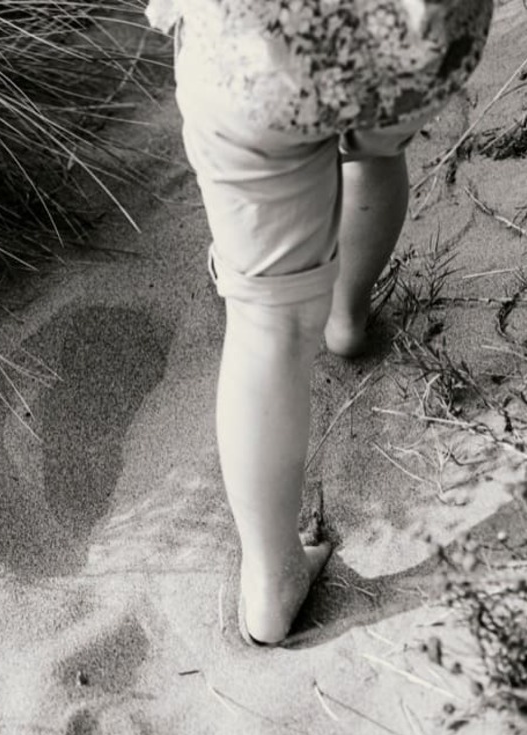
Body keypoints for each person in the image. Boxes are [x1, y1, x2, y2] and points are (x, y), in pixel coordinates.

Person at [148, 0, 493, 644]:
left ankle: (273, 577)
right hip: (405, 37)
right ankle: (346, 316)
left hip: (254, 51)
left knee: (269, 321)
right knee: (373, 150)